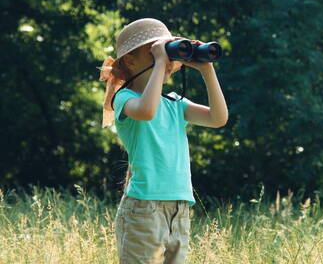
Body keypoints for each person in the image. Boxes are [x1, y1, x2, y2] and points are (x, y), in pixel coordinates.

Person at [98, 18, 228, 264]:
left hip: (179, 207)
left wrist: (206, 70)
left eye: (168, 52)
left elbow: (218, 118)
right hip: (144, 209)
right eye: (155, 52)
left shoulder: (174, 102)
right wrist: (160, 61)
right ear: (130, 60)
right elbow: (147, 111)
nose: (167, 61)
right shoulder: (123, 98)